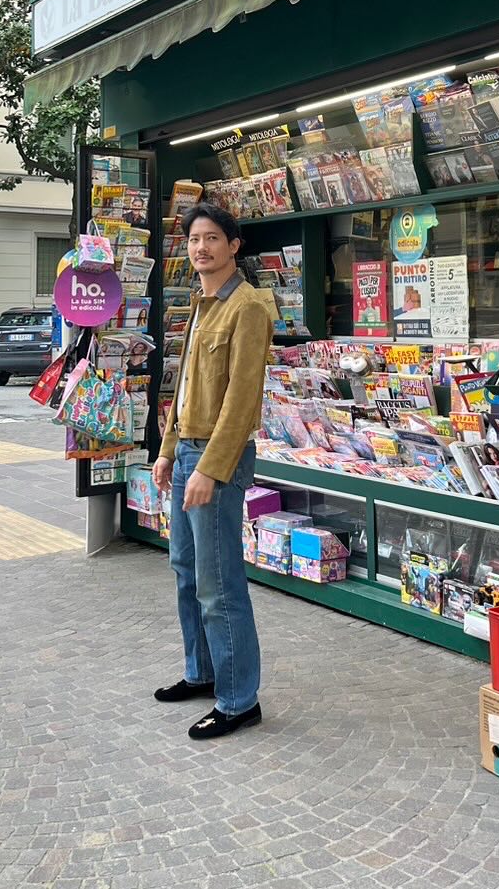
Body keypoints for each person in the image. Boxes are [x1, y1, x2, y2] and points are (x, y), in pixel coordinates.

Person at [151, 202, 275, 740]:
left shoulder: (247, 308)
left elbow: (242, 400)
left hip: (216, 460)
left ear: (233, 246)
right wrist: (166, 450)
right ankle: (201, 672)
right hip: (185, 452)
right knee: (185, 568)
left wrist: (210, 468)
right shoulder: (201, 304)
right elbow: (185, 390)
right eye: (193, 240)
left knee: (218, 582)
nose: (200, 248)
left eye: (211, 239)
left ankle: (238, 699)